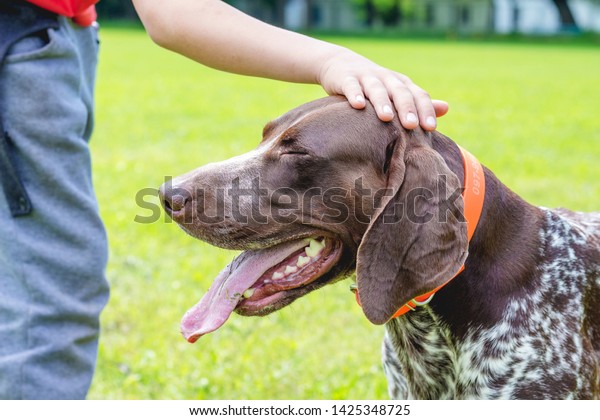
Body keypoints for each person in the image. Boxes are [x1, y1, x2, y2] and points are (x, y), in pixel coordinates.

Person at [0, 0, 447, 399]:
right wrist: (331, 58)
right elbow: (174, 11)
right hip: (20, 37)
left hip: (58, 38)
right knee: (48, 296)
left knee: (46, 286)